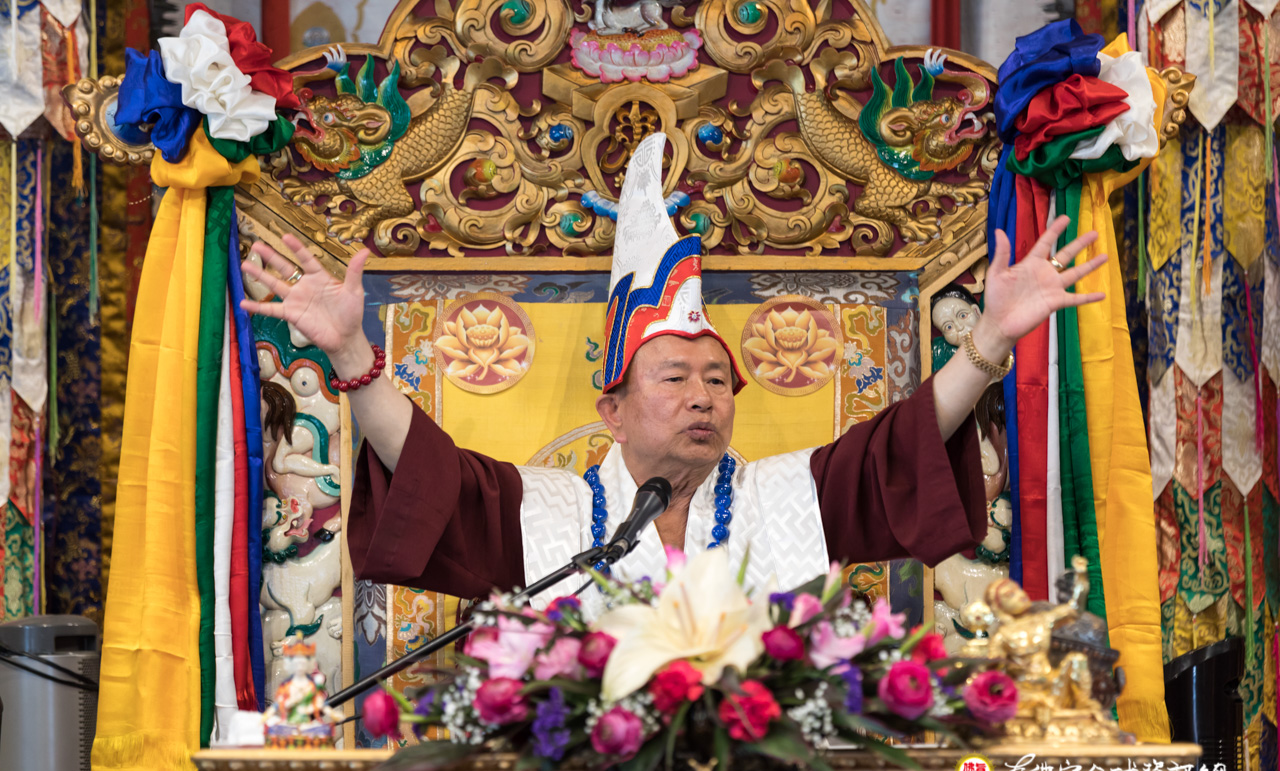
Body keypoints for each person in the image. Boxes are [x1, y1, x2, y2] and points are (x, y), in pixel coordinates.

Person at [239, 133, 1105, 611]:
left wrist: (988, 337)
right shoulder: (545, 513)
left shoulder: (784, 495)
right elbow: (429, 474)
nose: (703, 397)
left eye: (717, 380)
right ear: (612, 410)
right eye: (675, 377)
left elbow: (899, 450)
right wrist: (349, 354)